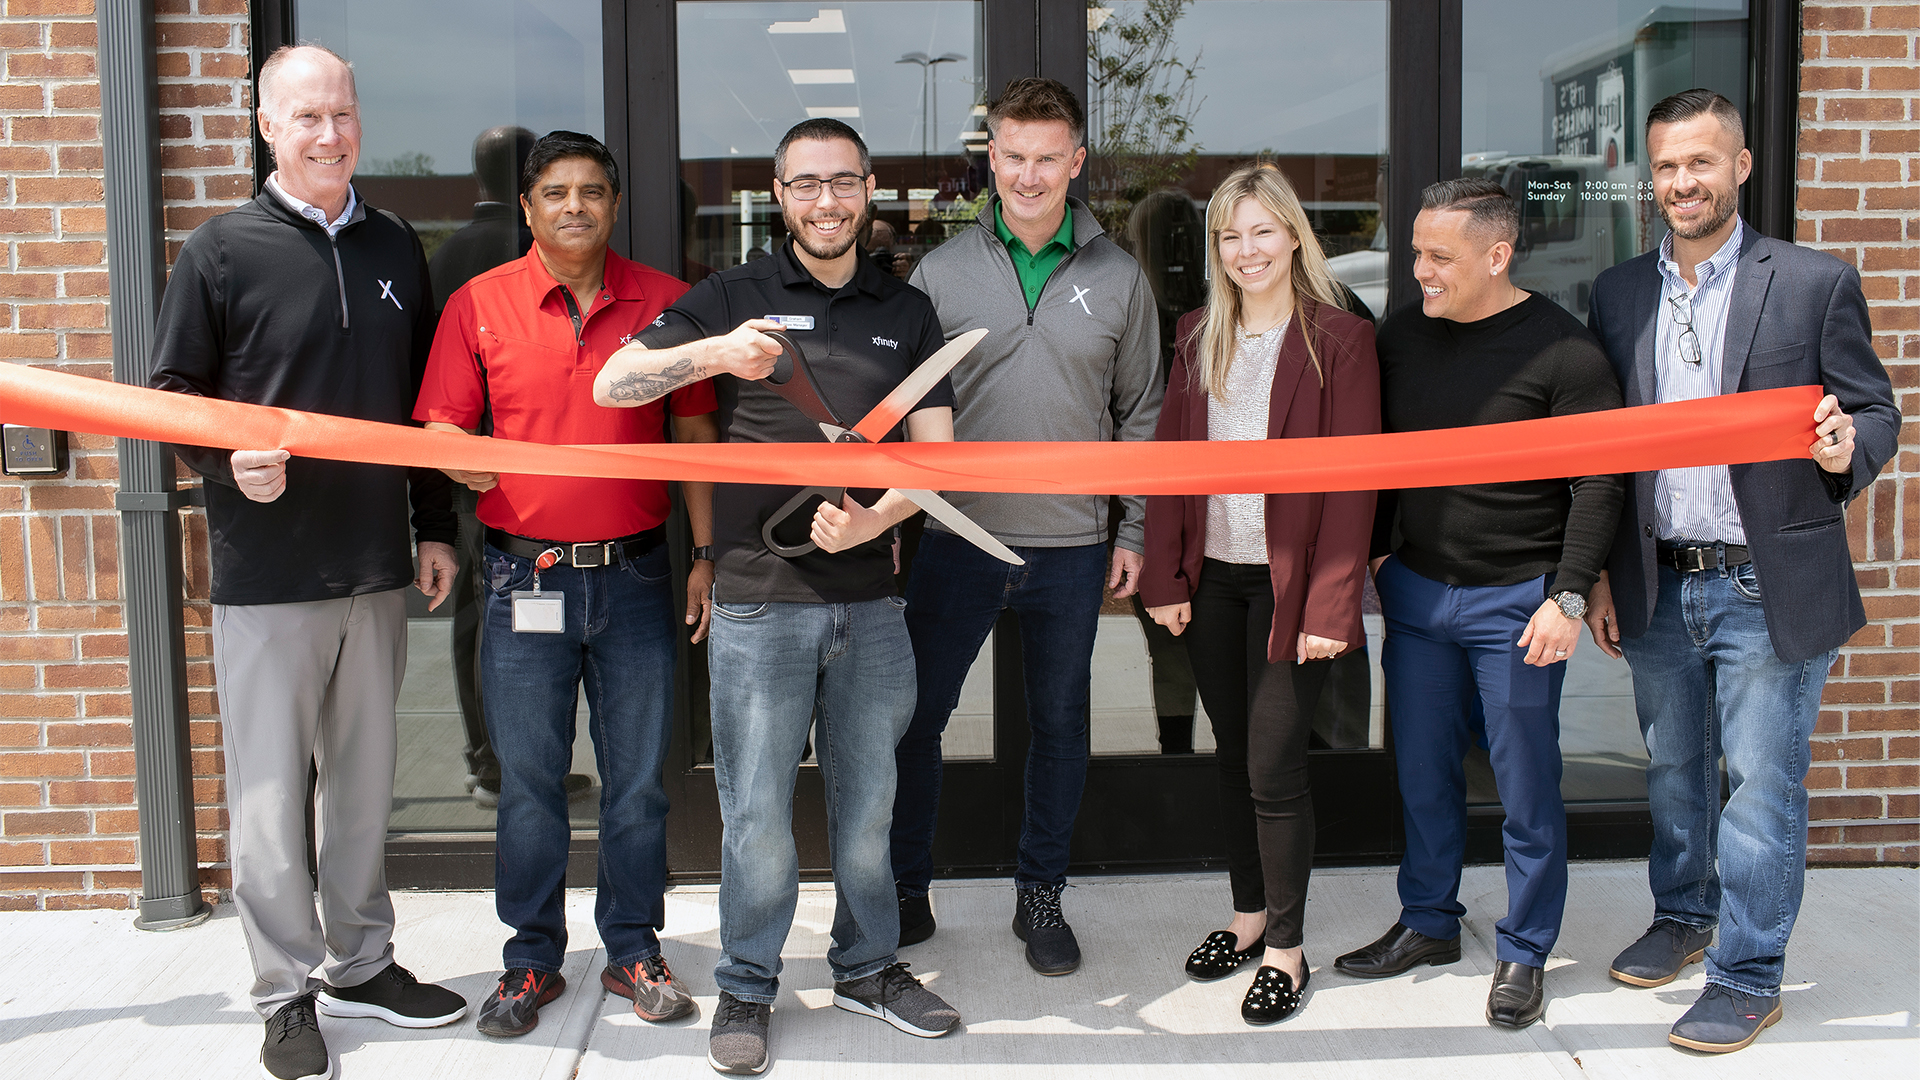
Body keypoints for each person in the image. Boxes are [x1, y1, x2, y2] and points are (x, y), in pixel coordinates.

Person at [592, 118, 963, 1076]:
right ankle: (748, 986)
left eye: (843, 183)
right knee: (755, 813)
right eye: (807, 185)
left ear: (869, 188)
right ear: (779, 193)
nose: (827, 202)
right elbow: (614, 384)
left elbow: (939, 455)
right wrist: (718, 353)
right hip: (760, 604)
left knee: (870, 804)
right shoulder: (731, 296)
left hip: (874, 606)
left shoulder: (906, 307)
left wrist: (881, 522)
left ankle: (869, 968)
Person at [147, 44, 467, 1080]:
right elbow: (171, 403)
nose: (330, 134)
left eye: (342, 113)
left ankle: (362, 963)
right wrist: (222, 459)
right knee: (272, 803)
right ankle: (285, 990)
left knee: (363, 794)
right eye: (307, 118)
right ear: (266, 128)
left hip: (375, 563)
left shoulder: (395, 246)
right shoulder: (220, 252)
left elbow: (421, 410)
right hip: (268, 570)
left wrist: (431, 525)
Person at [1582, 89, 1900, 1054]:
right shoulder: (1620, 293)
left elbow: (1874, 409)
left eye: (1701, 164)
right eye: (1669, 167)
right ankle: (1684, 914)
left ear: (1741, 168)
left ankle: (1748, 971)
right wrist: (1596, 574)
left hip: (1767, 577)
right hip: (1656, 577)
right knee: (1675, 769)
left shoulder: (1811, 281)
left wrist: (1847, 450)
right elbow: (1609, 449)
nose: (1683, 183)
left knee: (1761, 783)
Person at [414, 130, 716, 1039]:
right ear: (528, 206)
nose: (574, 206)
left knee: (637, 785)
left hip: (633, 581)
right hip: (521, 579)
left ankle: (632, 947)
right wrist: (456, 459)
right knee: (531, 784)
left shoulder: (666, 304)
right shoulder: (478, 304)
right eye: (555, 192)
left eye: (591, 191)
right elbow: (437, 430)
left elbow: (694, 442)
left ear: (615, 205)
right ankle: (529, 963)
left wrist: (705, 554)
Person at [1332, 178, 1624, 1031]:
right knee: (1422, 774)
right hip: (1419, 594)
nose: (1419, 270)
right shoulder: (1402, 339)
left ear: (1498, 256)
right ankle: (1428, 922)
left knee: (1526, 786)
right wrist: (1384, 555)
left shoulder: (1565, 353)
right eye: (1416, 251)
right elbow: (1373, 451)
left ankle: (1526, 950)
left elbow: (1599, 482)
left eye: (1438, 257)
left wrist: (1568, 594)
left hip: (1519, 604)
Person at [891, 77, 1163, 974]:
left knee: (1060, 723)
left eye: (1049, 157)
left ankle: (1040, 895)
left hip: (1073, 548)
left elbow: (1143, 414)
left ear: (1076, 162)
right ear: (992, 159)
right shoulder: (940, 273)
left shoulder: (1120, 275)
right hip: (956, 540)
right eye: (1014, 156)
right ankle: (905, 886)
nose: (1031, 174)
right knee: (917, 719)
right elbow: (905, 406)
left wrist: (1132, 533)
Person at [1141, 163, 1380, 1024]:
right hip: (1214, 583)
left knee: (1276, 765)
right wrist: (1167, 578)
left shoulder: (1339, 338)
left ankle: (1287, 946)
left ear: (1292, 236)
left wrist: (1329, 606)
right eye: (1230, 236)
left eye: (1261, 232)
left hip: (1292, 588)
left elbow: (1355, 489)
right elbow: (1172, 467)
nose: (1246, 251)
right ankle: (1246, 917)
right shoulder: (1198, 332)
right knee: (1232, 757)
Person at [423, 123, 598, 812]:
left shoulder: (446, 254)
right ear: (525, 194)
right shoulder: (495, 267)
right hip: (490, 476)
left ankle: (489, 759)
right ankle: (506, 765)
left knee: (479, 614)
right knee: (499, 614)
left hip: (474, 469)